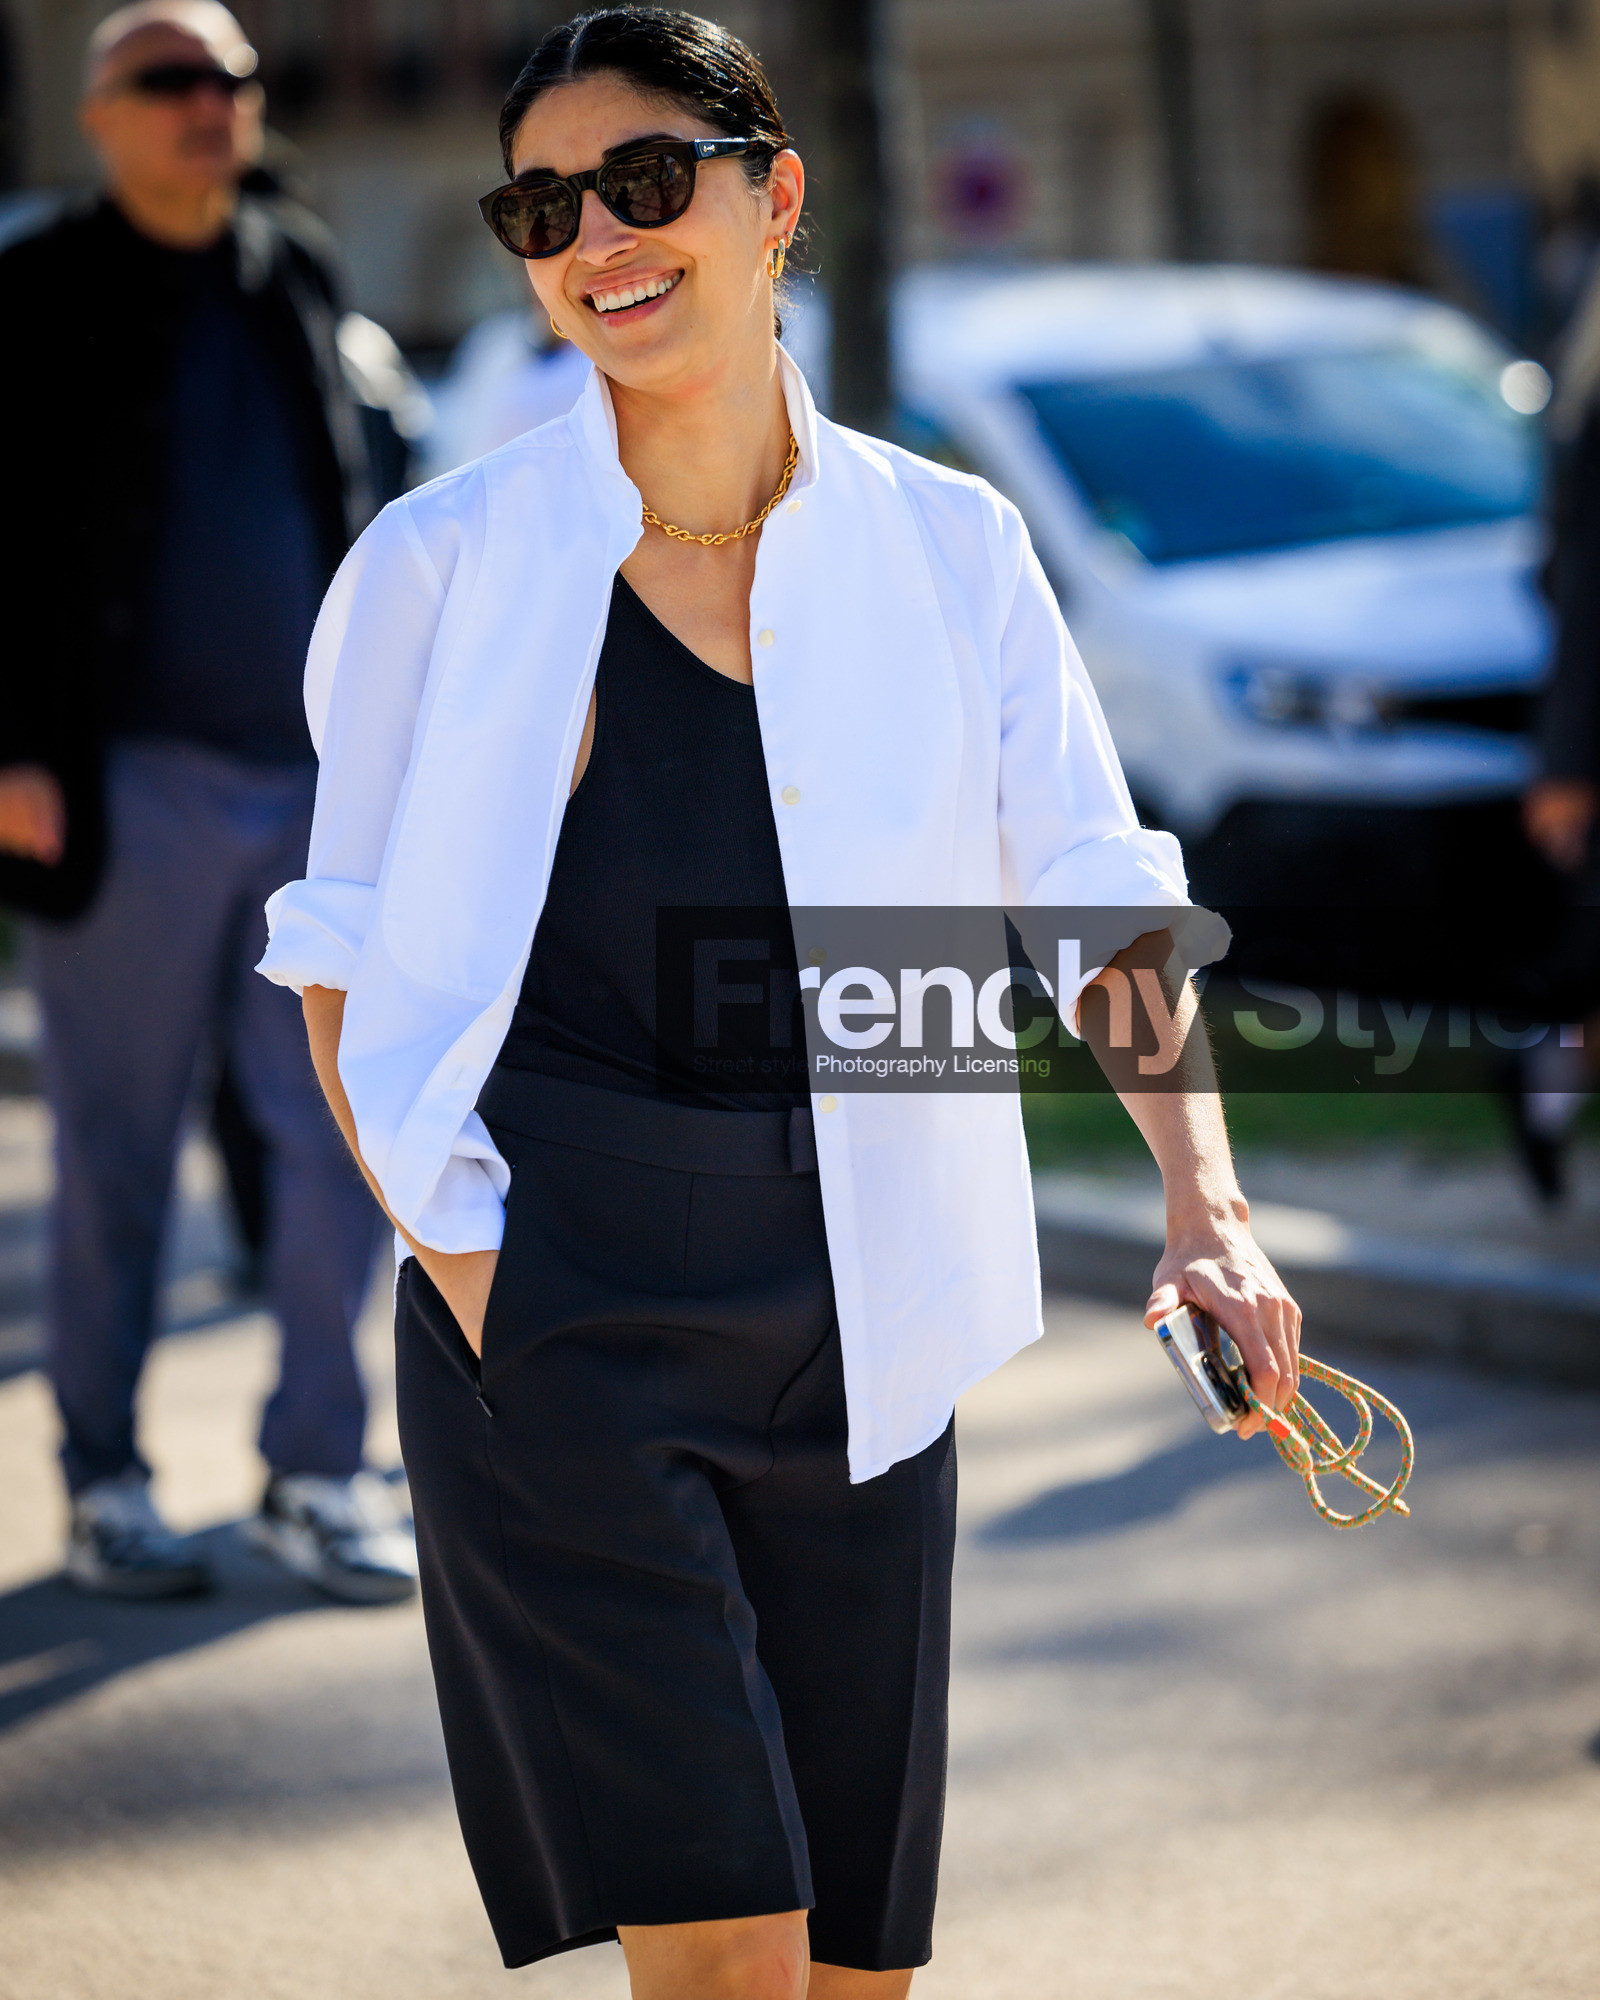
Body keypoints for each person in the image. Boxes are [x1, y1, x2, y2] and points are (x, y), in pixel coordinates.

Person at [258, 10, 1302, 1994]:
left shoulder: (947, 543)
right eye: (540, 206)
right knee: (726, 1953)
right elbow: (338, 954)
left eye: (644, 180)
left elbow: (1090, 884)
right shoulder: (439, 564)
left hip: (868, 1318)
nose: (594, 237)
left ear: (773, 194)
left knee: (855, 1967)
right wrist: (474, 1260)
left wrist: (1208, 1205)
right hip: (557, 1305)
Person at [0, 1, 414, 1604]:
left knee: (337, 1142)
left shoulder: (293, 264)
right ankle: (105, 1481)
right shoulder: (35, 292)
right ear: (100, 116)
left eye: (235, 80)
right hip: (128, 788)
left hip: (313, 781)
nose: (210, 107)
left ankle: (319, 1472)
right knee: (118, 1152)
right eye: (169, 81)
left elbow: (355, 497)